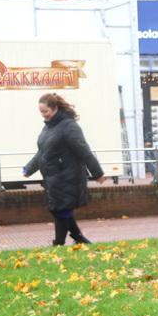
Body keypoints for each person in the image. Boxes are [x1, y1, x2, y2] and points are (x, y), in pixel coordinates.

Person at [23, 93, 106, 246]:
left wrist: (98, 173)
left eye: (45, 111)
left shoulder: (69, 126)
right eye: (41, 112)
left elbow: (84, 150)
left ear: (55, 108)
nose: (43, 115)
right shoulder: (48, 127)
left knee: (60, 209)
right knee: (59, 209)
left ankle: (59, 243)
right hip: (54, 177)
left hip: (67, 176)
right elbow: (43, 152)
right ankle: (78, 237)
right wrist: (29, 168)